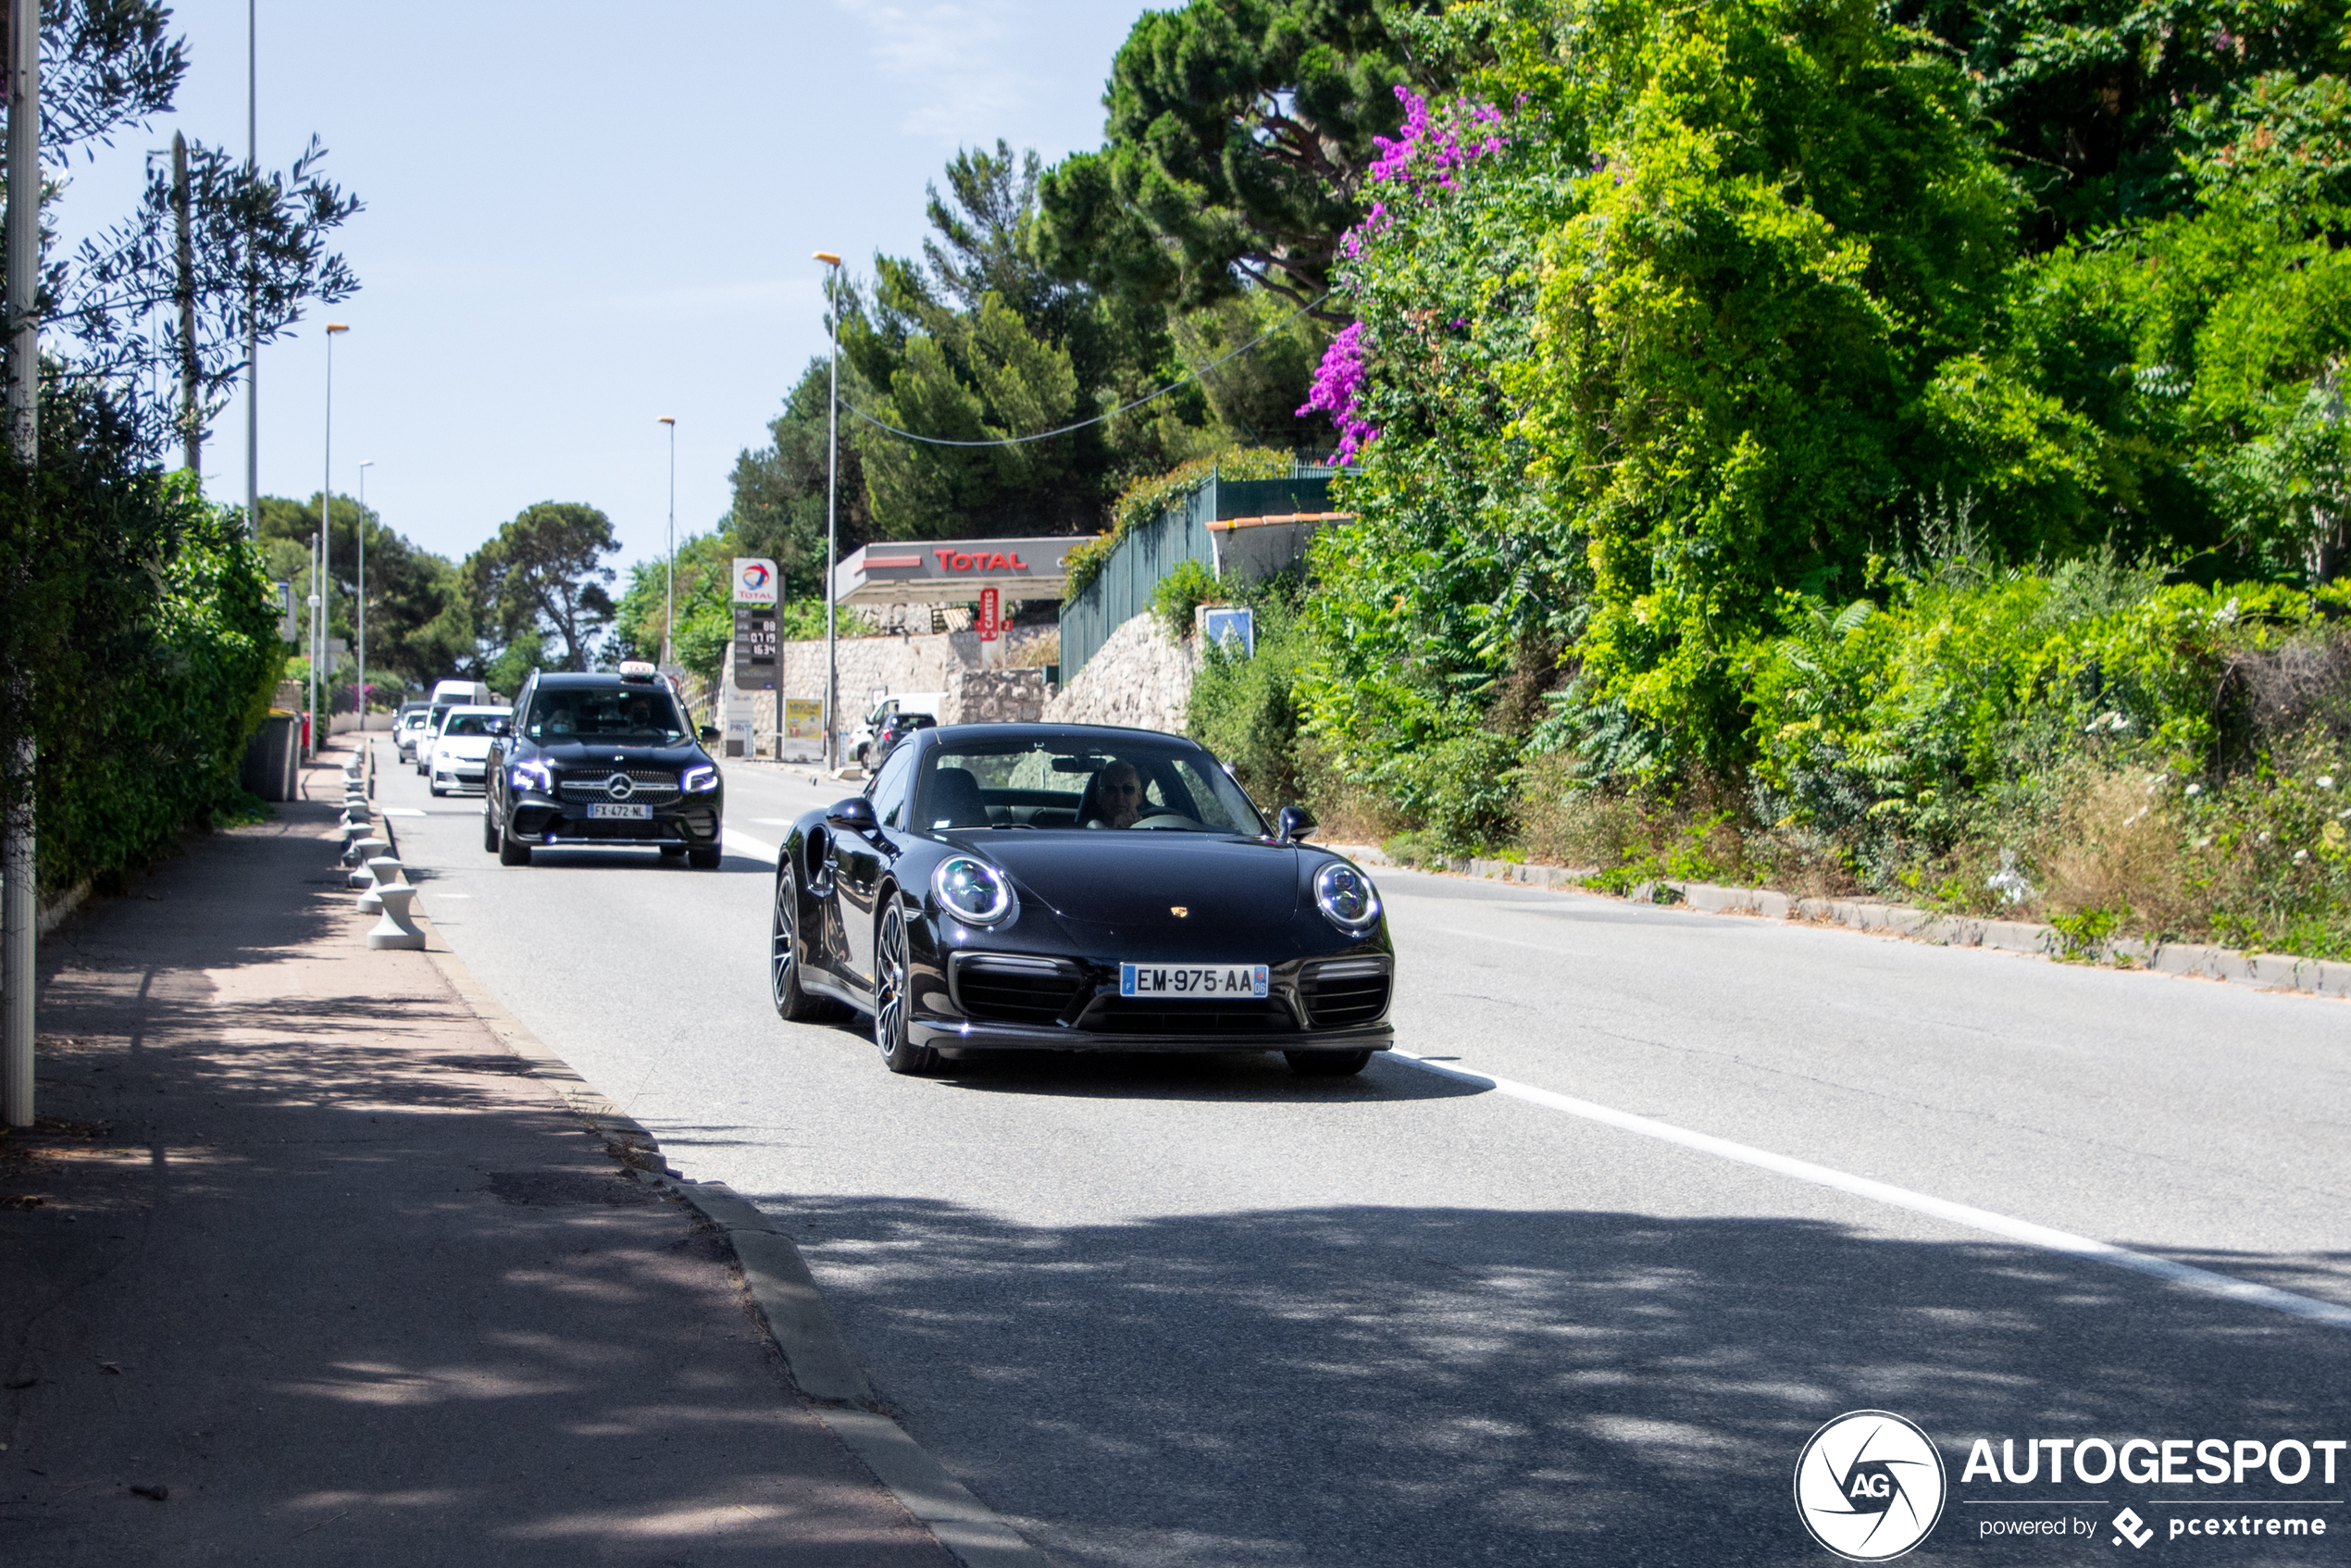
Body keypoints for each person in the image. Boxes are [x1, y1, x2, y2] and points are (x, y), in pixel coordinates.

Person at [1091, 761, 1145, 828]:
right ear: (1099, 796)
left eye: (1128, 789)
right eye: (1111, 789)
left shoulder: (1154, 833)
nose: (1119, 797)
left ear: (1139, 796)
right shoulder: (1089, 833)